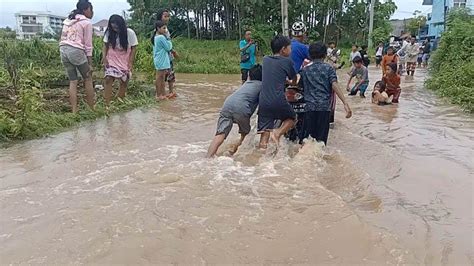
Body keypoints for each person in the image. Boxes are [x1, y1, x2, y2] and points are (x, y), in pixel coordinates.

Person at [299, 42, 352, 145]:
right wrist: (345, 102)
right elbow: (334, 85)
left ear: (309, 55)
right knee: (321, 142)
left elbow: (301, 85)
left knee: (307, 141)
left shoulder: (305, 70)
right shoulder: (329, 68)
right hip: (324, 109)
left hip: (309, 108)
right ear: (324, 55)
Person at [207, 65, 263, 158]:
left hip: (227, 104)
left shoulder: (246, 83)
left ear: (249, 75)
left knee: (220, 134)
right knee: (245, 133)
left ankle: (208, 157)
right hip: (241, 108)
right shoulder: (262, 86)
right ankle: (236, 153)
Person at [257, 35, 297, 149]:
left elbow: (273, 75)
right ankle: (278, 133)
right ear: (283, 49)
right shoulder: (287, 61)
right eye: (290, 47)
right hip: (278, 100)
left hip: (263, 102)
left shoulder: (265, 60)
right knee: (292, 118)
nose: (291, 50)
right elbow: (293, 79)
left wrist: (283, 80)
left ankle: (260, 160)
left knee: (265, 133)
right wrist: (291, 83)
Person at [59, 0, 95, 113]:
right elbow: (88, 45)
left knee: (73, 81)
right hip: (76, 50)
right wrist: (90, 64)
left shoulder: (68, 20)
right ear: (85, 10)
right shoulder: (86, 23)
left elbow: (63, 37)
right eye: (91, 9)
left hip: (63, 50)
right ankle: (91, 109)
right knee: (88, 78)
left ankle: (74, 111)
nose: (92, 12)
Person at [101, 15, 138, 106]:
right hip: (112, 58)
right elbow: (105, 46)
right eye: (113, 27)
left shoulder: (130, 33)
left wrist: (130, 62)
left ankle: (119, 102)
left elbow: (134, 48)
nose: (115, 29)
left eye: (117, 27)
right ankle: (107, 104)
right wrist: (104, 58)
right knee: (108, 79)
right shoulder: (109, 33)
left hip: (124, 58)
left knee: (124, 80)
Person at [156, 8, 178, 97]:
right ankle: (161, 93)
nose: (167, 18)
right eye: (165, 16)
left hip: (167, 56)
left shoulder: (165, 29)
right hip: (163, 56)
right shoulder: (159, 30)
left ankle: (170, 92)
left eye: (168, 16)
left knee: (170, 73)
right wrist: (173, 51)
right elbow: (166, 45)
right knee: (162, 76)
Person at [151, 20, 173, 101]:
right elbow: (168, 47)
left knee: (161, 77)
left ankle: (162, 94)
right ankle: (159, 94)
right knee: (159, 77)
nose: (165, 30)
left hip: (159, 59)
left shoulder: (156, 37)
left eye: (165, 28)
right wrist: (169, 39)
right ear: (158, 28)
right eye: (163, 28)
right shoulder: (161, 37)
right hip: (161, 60)